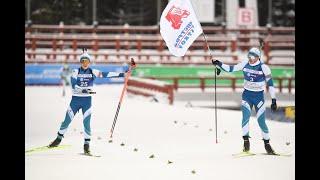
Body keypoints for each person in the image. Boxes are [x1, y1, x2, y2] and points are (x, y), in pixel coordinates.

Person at [48, 49, 136, 155]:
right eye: (83, 61)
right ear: (80, 62)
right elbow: (73, 84)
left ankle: (86, 146)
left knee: (86, 123)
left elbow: (106, 74)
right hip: (75, 100)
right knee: (67, 120)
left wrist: (123, 74)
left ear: (89, 62)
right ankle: (58, 139)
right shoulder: (75, 72)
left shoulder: (93, 72)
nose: (85, 63)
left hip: (87, 101)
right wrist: (82, 89)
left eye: (86, 61)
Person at [212, 47, 278, 155]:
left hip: (259, 98)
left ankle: (267, 144)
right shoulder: (245, 63)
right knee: (245, 118)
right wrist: (219, 63)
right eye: (249, 56)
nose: (250, 59)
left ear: (258, 57)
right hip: (247, 95)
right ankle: (246, 143)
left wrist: (274, 100)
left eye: (252, 57)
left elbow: (270, 84)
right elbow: (231, 69)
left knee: (261, 121)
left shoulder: (264, 67)